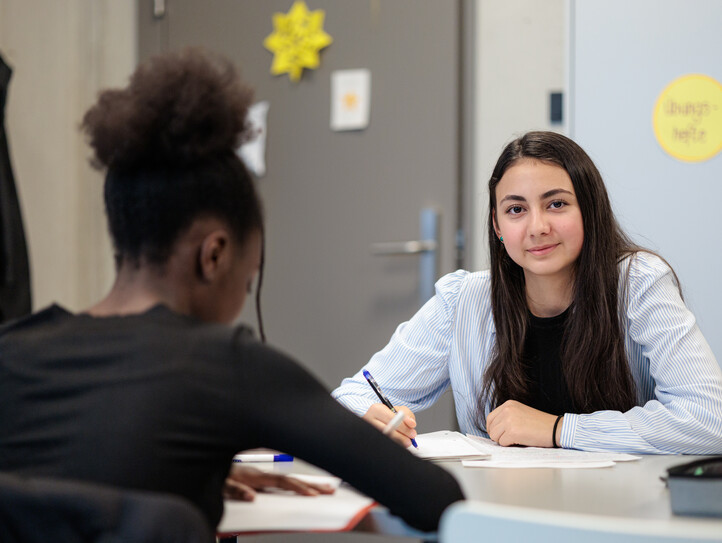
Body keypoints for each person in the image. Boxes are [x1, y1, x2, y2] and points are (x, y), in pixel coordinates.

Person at [0, 49, 464, 534]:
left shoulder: (11, 351)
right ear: (215, 256)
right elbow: (436, 500)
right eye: (251, 274)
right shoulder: (226, 365)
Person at [333, 131, 722, 455]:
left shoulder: (638, 282)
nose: (537, 227)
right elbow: (350, 397)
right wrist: (367, 417)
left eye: (556, 204)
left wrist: (557, 430)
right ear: (497, 225)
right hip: (502, 509)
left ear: (590, 210)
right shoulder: (463, 300)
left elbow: (709, 417)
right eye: (516, 210)